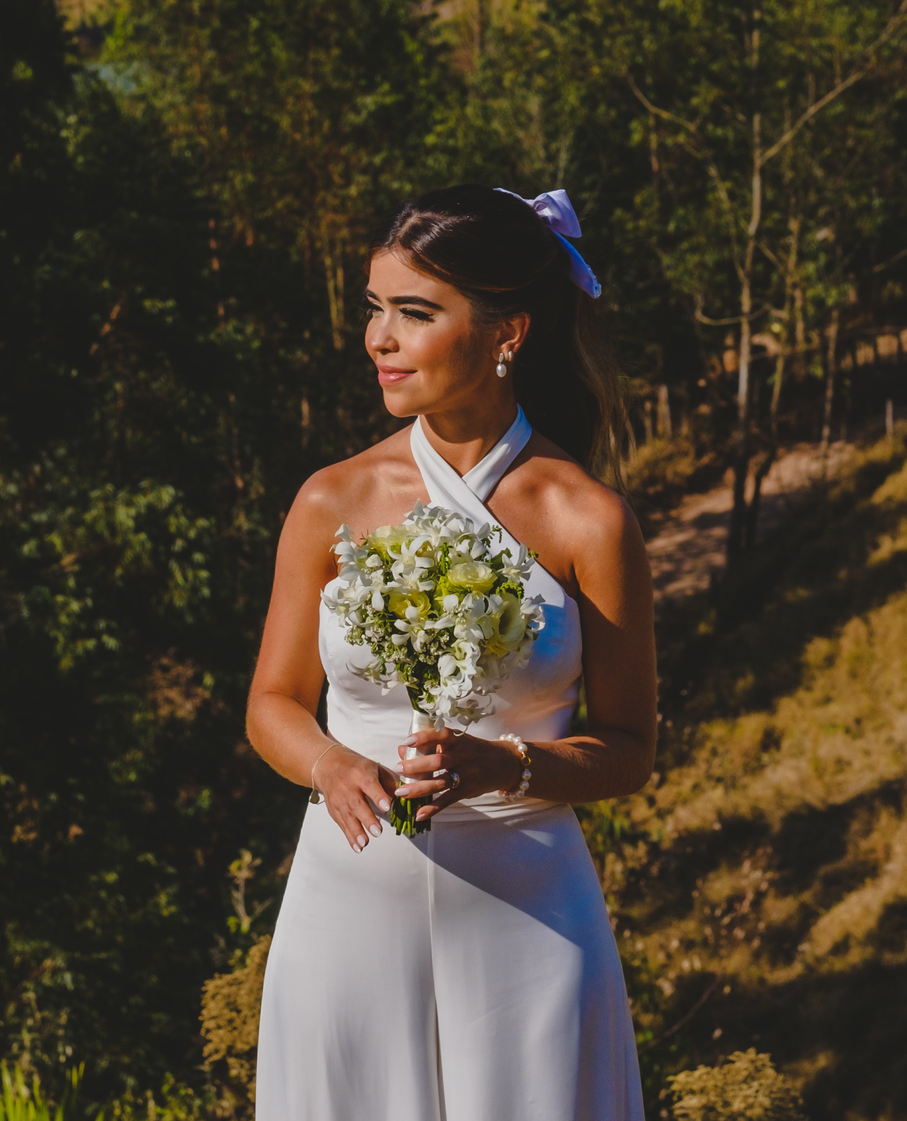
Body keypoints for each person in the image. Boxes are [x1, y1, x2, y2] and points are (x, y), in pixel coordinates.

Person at [246, 184, 657, 1120]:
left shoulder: (589, 520)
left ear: (507, 332)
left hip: (531, 909)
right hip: (348, 899)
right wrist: (329, 763)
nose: (378, 340)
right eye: (374, 309)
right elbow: (272, 703)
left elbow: (630, 750)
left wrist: (511, 765)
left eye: (414, 314)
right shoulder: (330, 501)